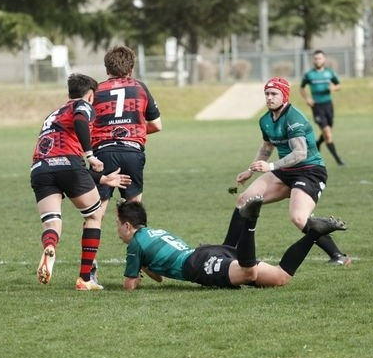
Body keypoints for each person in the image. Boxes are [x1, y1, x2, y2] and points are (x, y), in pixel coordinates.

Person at [223, 77, 352, 266]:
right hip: (285, 171)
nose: (269, 97)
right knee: (244, 200)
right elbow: (267, 146)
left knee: (299, 218)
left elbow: (300, 153)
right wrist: (251, 169)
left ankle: (338, 255)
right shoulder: (265, 119)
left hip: (309, 171)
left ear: (284, 96)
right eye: (266, 93)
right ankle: (227, 251)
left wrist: (271, 166)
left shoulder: (294, 118)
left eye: (274, 94)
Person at [31, 73, 132, 291]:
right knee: (94, 215)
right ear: (89, 95)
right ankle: (85, 278)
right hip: (69, 165)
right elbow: (79, 121)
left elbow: (62, 161)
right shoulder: (83, 106)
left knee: (52, 222)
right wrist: (90, 155)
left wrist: (104, 179)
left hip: (40, 168)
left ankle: (50, 246)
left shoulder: (53, 114)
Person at [116, 197, 347, 290]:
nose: (117, 230)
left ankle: (250, 221)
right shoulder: (156, 232)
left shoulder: (135, 244)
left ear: (128, 226)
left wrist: (134, 274)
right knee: (280, 278)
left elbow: (129, 285)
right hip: (208, 252)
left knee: (247, 273)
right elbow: (159, 277)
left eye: (118, 224)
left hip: (196, 265)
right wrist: (146, 267)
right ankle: (313, 234)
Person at [91, 44, 162, 281]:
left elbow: (85, 126)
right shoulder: (140, 88)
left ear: (106, 67)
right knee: (134, 213)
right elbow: (157, 125)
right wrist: (133, 131)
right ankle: (140, 265)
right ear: (130, 68)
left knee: (95, 213)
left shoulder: (96, 90)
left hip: (102, 154)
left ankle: (89, 269)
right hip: (132, 151)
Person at [299, 49, 345, 166]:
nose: (317, 60)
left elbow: (338, 85)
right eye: (315, 58)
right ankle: (338, 160)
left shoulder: (330, 72)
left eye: (319, 58)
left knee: (328, 131)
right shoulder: (309, 74)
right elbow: (302, 87)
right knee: (327, 133)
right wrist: (307, 99)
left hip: (328, 105)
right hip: (317, 106)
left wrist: (333, 88)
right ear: (313, 60)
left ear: (324, 59)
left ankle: (318, 143)